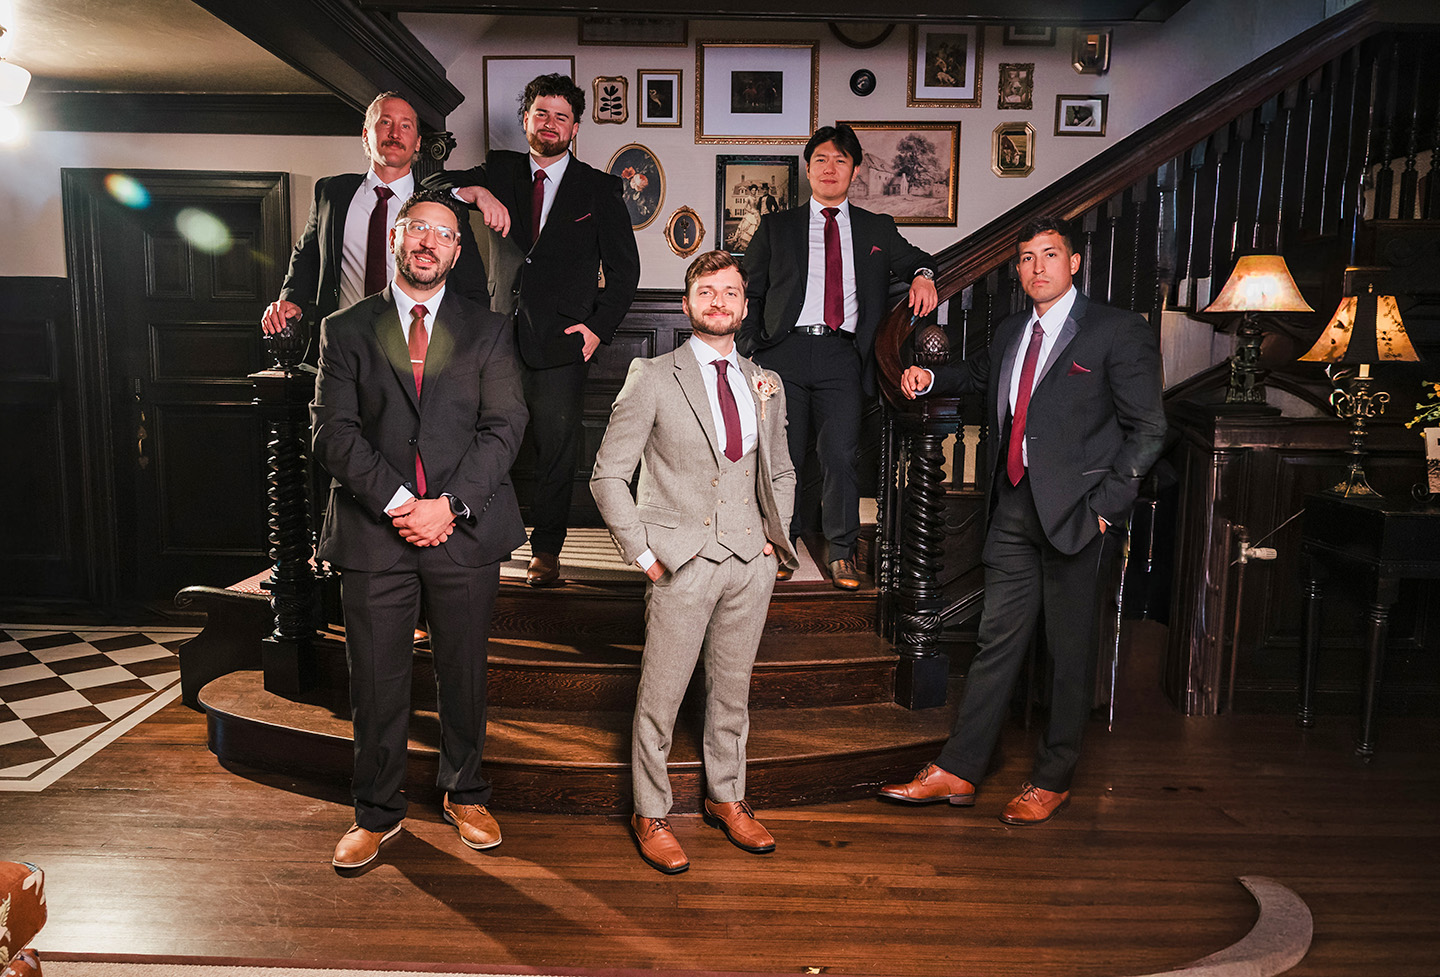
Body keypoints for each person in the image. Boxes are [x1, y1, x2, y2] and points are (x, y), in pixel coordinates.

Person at [880, 215, 1166, 825]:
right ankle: (960, 768)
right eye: (1027, 258)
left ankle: (1053, 776)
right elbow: (980, 378)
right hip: (1013, 508)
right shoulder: (1013, 330)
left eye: (1049, 255)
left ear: (1074, 263)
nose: (1037, 267)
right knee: (995, 643)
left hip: (1080, 519)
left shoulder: (1118, 331)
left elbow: (1149, 430)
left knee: (1068, 651)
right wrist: (930, 375)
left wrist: (1106, 513)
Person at [312, 190, 528, 869]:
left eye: (442, 233)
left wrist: (450, 505)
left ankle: (465, 792)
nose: (428, 241)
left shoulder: (488, 328)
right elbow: (332, 433)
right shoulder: (346, 327)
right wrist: (404, 502)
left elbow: (505, 427)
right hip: (376, 531)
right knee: (375, 679)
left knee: (463, 672)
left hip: (464, 530)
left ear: (457, 251)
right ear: (397, 239)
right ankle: (376, 813)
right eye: (417, 229)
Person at [590, 251, 797, 874]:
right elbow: (607, 476)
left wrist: (773, 542)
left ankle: (727, 798)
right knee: (662, 696)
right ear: (686, 304)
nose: (717, 301)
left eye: (729, 291)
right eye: (705, 291)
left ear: (742, 304)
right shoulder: (652, 375)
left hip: (748, 563)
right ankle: (650, 811)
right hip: (679, 563)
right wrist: (645, 554)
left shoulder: (766, 382)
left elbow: (781, 468)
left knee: (732, 694)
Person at [424, 73, 641, 588]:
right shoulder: (500, 170)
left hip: (563, 343)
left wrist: (597, 329)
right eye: (540, 113)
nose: (549, 124)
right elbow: (430, 184)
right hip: (493, 336)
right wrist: (475, 191)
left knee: (556, 449)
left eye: (561, 117)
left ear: (575, 128)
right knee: (481, 445)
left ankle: (547, 550)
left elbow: (625, 270)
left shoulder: (599, 187)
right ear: (525, 120)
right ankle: (482, 540)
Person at [739, 124, 937, 590]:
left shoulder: (876, 228)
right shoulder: (777, 226)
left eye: (841, 161)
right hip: (782, 353)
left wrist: (924, 275)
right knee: (783, 456)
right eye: (822, 160)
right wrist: (750, 349)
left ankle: (842, 553)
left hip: (842, 356)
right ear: (808, 169)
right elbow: (749, 288)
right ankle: (781, 545)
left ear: (855, 170)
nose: (831, 169)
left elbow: (918, 260)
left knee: (840, 454)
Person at [261, 92, 486, 340]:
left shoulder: (442, 207)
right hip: (342, 343)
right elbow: (306, 258)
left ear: (418, 142)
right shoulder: (331, 193)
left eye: (405, 125)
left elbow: (472, 289)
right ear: (366, 135)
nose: (395, 133)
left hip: (419, 347)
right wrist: (289, 302)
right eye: (385, 122)